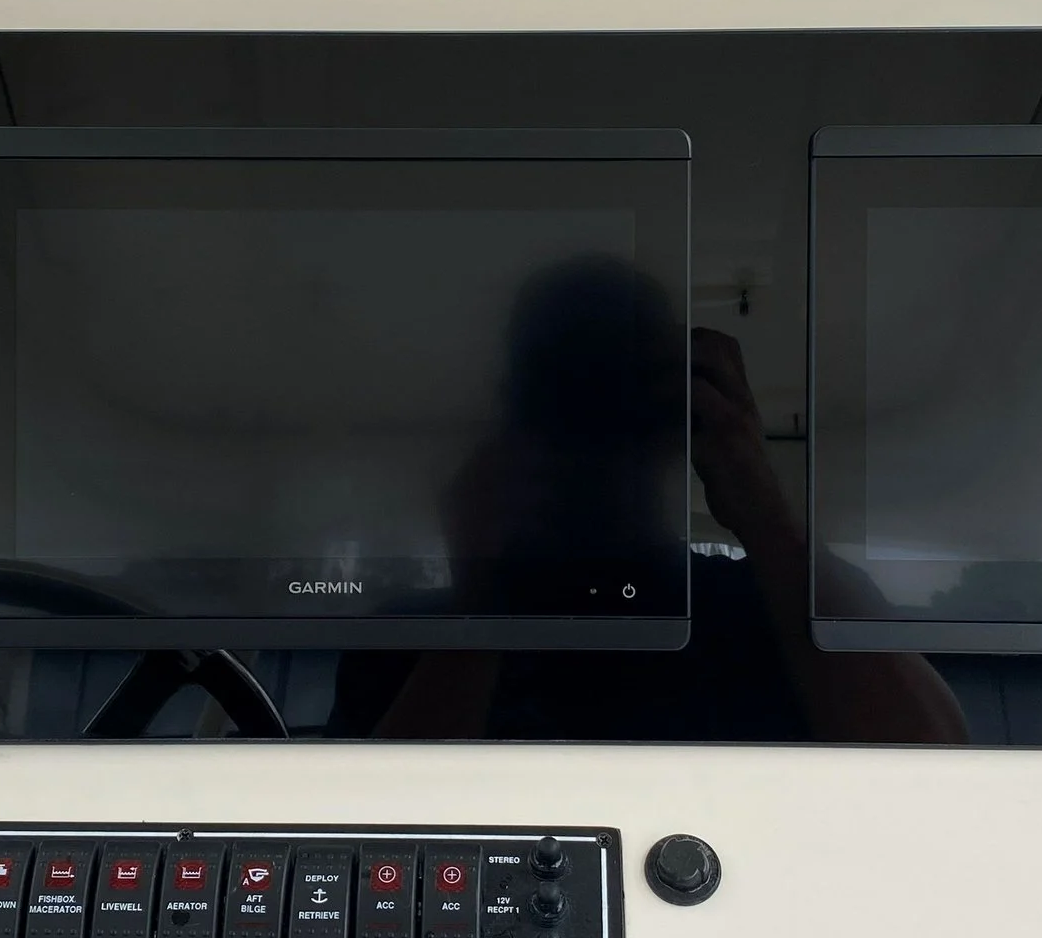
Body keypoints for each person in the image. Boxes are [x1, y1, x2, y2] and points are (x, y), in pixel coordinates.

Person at [366, 297, 967, 744]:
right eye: (559, 403)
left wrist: (767, 518)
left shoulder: (791, 606)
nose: (592, 440)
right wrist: (485, 598)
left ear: (678, 421)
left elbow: (936, 763)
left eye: (621, 401)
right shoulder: (409, 632)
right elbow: (363, 838)